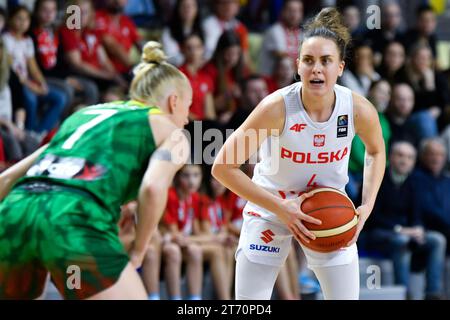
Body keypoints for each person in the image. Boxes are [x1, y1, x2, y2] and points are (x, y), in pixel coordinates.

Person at [212, 8, 386, 300]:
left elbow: (376, 152)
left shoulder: (357, 109)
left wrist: (367, 204)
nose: (316, 68)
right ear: (298, 66)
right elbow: (223, 167)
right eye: (308, 61)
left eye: (326, 61)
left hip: (328, 211)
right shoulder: (276, 108)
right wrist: (282, 209)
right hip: (271, 207)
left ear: (340, 67)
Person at [0, 41, 192, 299]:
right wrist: (138, 250)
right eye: (188, 108)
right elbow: (153, 187)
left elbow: (9, 176)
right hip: (74, 216)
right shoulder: (174, 133)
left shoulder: (86, 115)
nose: (188, 119)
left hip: (15, 210)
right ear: (174, 101)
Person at [364, 141, 446, 300]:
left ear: (414, 162)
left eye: (409, 157)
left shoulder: (414, 182)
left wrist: (418, 229)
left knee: (437, 239)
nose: (404, 160)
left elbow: (417, 214)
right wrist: (400, 229)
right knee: (402, 240)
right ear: (390, 157)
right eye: (400, 155)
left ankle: (433, 293)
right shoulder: (376, 178)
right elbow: (372, 217)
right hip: (377, 232)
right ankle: (405, 294)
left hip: (405, 232)